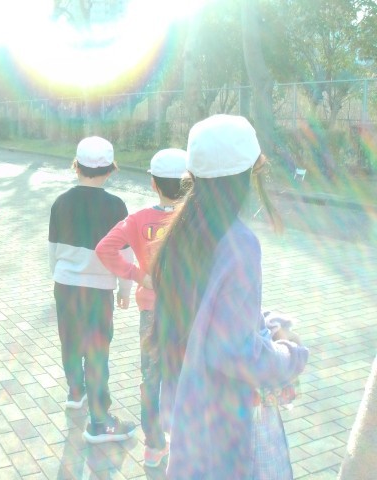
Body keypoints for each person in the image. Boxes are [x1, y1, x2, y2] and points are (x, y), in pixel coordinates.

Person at [150, 114, 309, 478]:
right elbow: (233, 352)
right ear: (249, 173)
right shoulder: (240, 244)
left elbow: (206, 315)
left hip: (190, 415)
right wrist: (291, 355)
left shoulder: (183, 229)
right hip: (228, 430)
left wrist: (261, 320)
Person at [95, 148, 188, 467]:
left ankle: (153, 445)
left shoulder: (137, 220)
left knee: (151, 376)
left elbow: (104, 248)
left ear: (153, 183)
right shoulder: (196, 220)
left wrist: (138, 275)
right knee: (184, 373)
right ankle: (184, 439)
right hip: (188, 312)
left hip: (151, 311)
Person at [48, 136, 137, 444]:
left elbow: (53, 250)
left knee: (70, 340)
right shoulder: (116, 206)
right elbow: (125, 254)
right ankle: (100, 421)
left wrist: (60, 277)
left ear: (76, 166)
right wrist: (124, 288)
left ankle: (76, 392)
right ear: (111, 170)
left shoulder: (61, 202)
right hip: (99, 290)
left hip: (66, 286)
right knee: (97, 350)